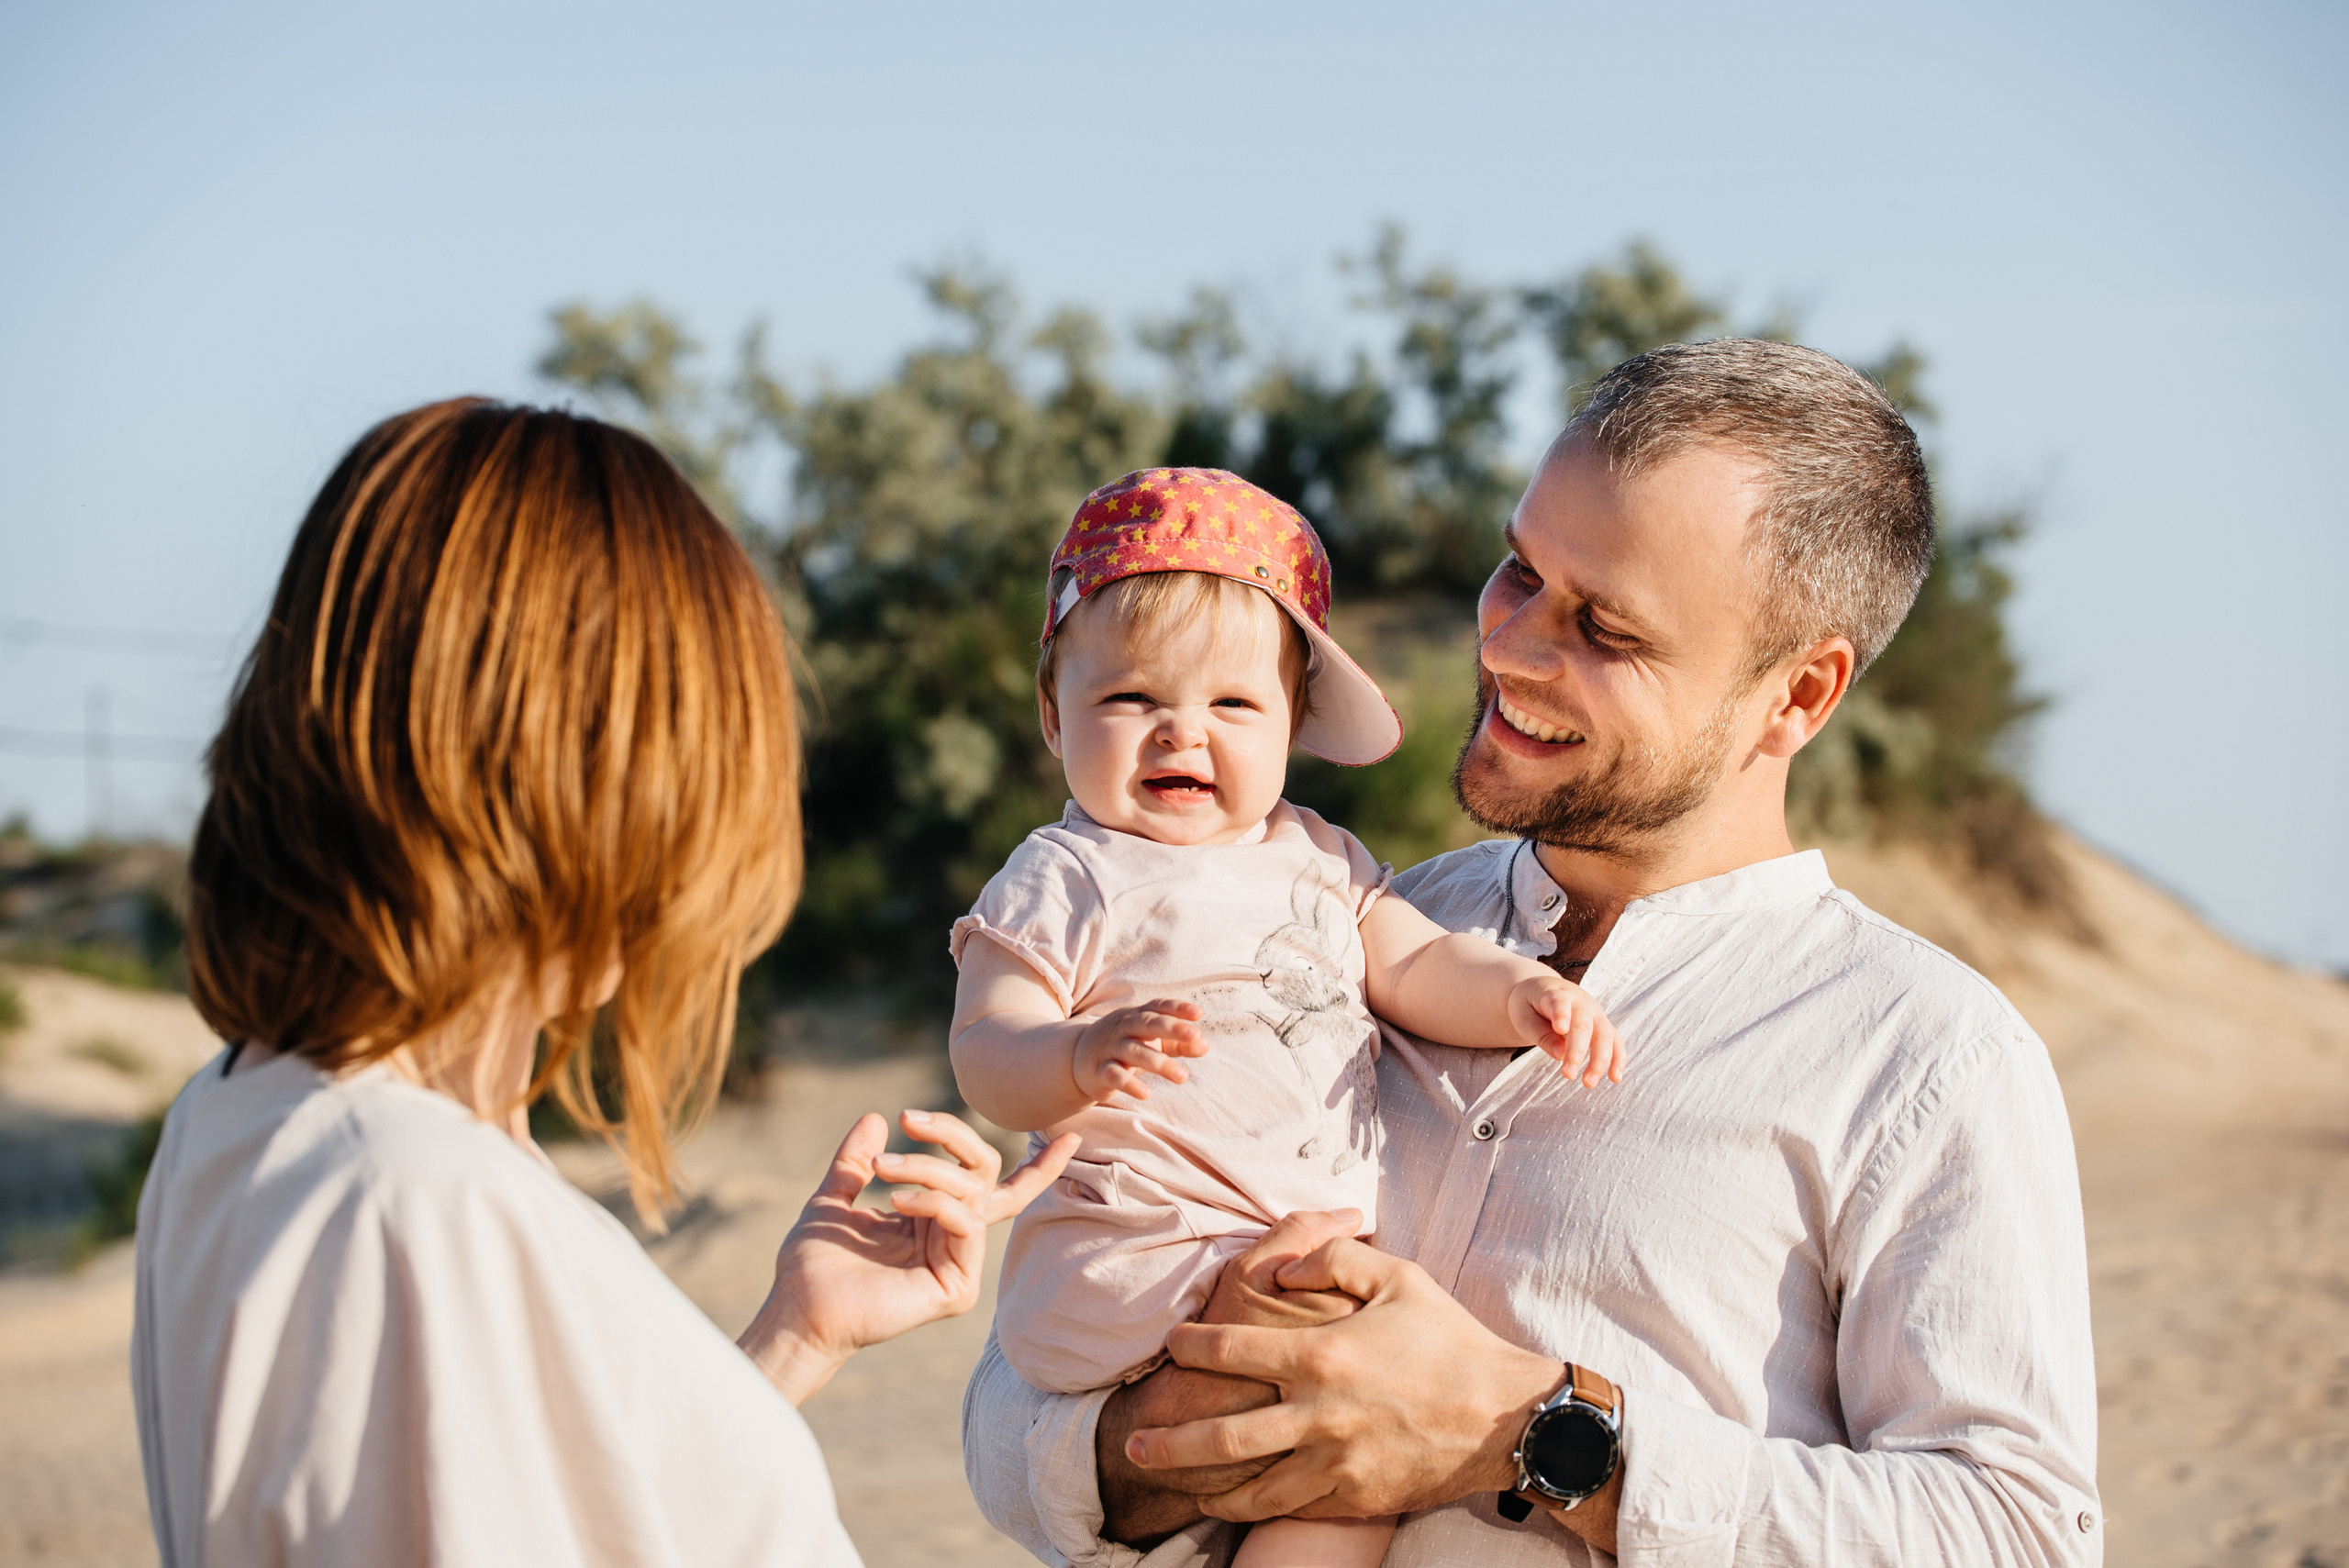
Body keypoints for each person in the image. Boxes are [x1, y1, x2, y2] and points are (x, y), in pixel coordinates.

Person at [963, 340, 2104, 1566]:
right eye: (1519, 569)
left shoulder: (1923, 1054)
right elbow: (1006, 1423)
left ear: (1800, 696)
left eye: (1603, 625)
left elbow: (2016, 1533)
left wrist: (1529, 1433)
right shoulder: (1323, 929)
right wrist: (1151, 1438)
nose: (1509, 645)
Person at [130, 397, 1079, 1567]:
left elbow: (558, 1508)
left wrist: (794, 1337)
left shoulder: (241, 1117)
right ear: (590, 783)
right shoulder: (422, 1201)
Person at [949, 469, 1625, 1568]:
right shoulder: (1066, 871)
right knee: (1338, 1430)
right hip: (1144, 1247)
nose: (1181, 733)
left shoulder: (1318, 854)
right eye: (1128, 700)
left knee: (1341, 1483)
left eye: (1231, 704)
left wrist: (1515, 992)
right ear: (1050, 710)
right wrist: (1073, 1053)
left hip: (1290, 1263)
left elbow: (1412, 963)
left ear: (1294, 722)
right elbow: (985, 1049)